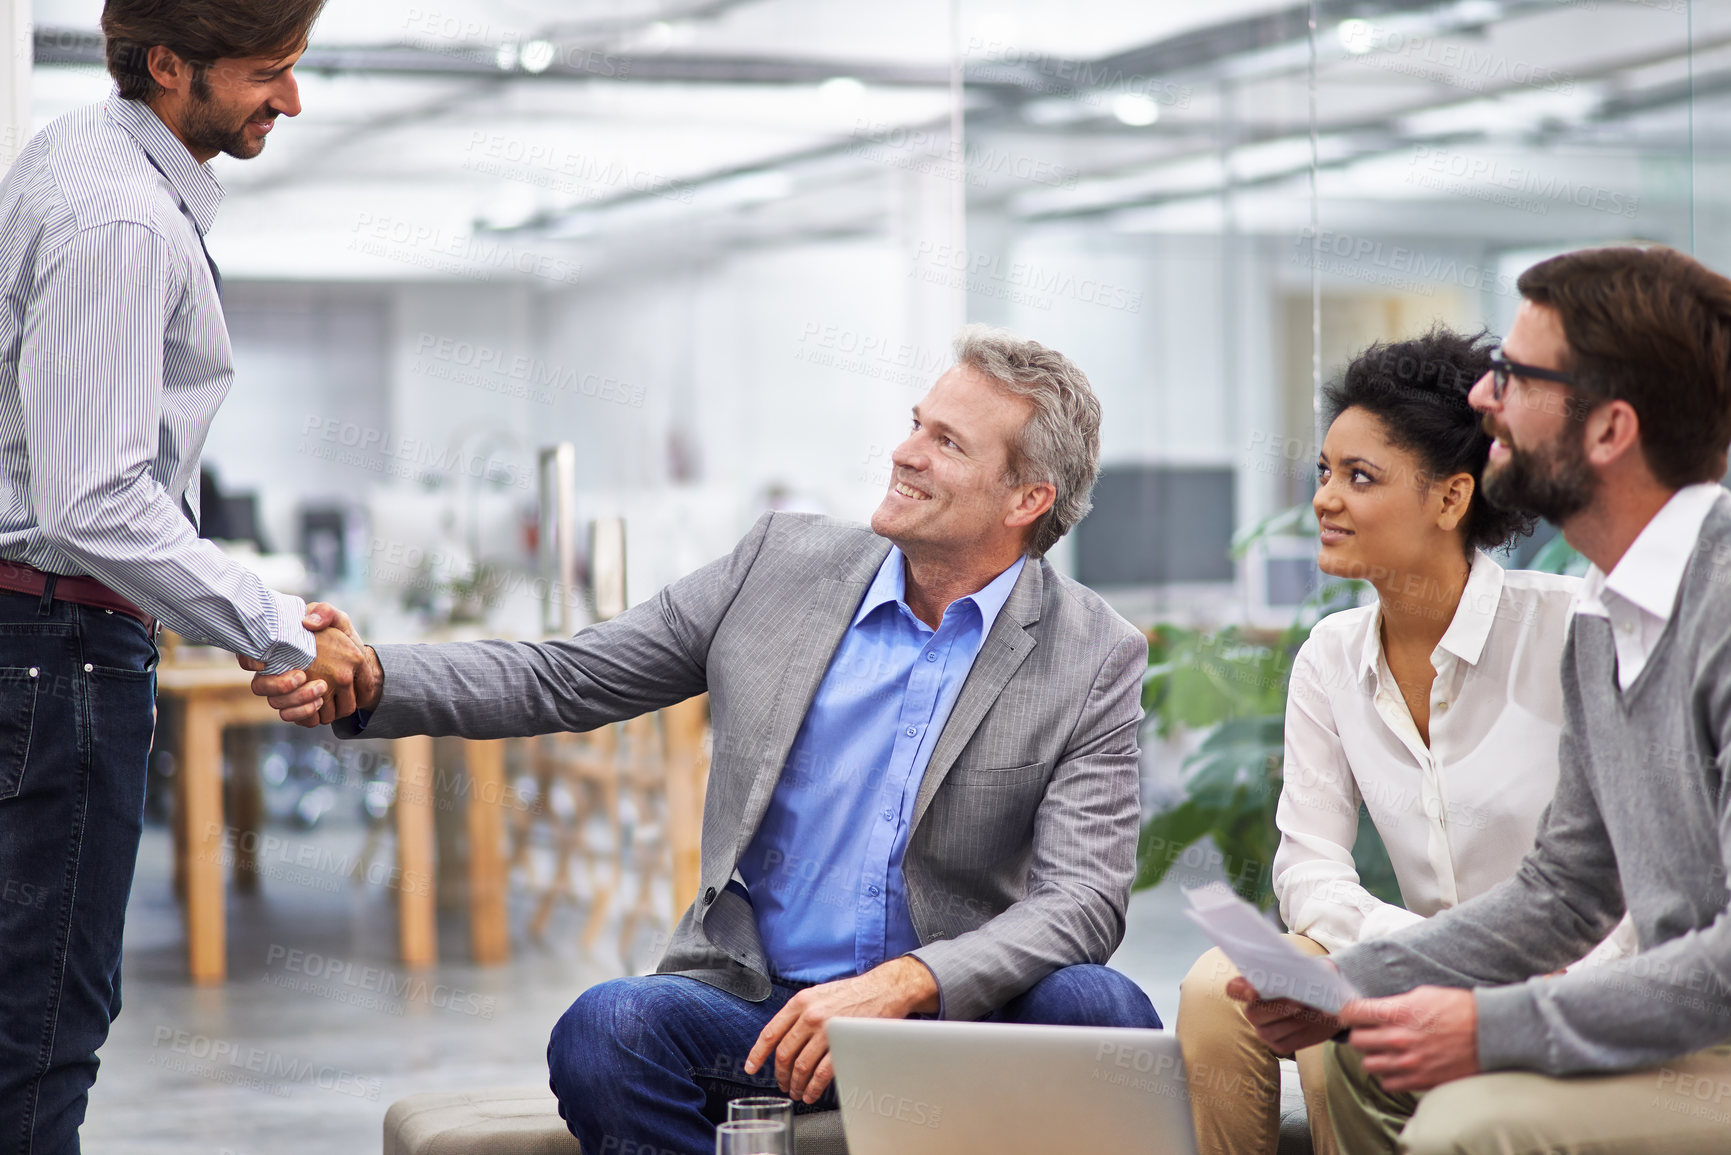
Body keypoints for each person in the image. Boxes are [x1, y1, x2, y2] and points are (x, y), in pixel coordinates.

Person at [249, 326, 1162, 1155]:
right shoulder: (779, 566)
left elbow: (1080, 900)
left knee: (1099, 1005)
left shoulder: (1091, 653)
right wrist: (375, 673)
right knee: (610, 1028)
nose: (904, 451)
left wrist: (912, 979)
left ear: (1027, 498)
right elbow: (565, 675)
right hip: (760, 1011)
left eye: (946, 442)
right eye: (916, 423)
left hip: (958, 1015)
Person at [1235, 245, 1731, 1155]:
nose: (1479, 397)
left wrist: (1491, 1024)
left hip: (1709, 1037)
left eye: (1513, 374)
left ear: (1609, 430)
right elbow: (1567, 889)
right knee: (1365, 1055)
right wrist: (1349, 981)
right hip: (1663, 1022)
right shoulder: (1604, 616)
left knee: (1470, 1124)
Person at [0, 2, 370, 1149]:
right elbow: (96, 501)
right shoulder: (122, 218)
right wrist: (282, 630)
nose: (291, 101)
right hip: (54, 652)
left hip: (44, 643)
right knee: (40, 1029)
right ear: (170, 65)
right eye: (270, 72)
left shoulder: (76, 153)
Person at [1176, 328, 1632, 1155]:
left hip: (1567, 977)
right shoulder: (1329, 656)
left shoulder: (1572, 634)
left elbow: (1640, 878)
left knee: (1337, 1032)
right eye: (1323, 471)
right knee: (1218, 989)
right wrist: (1402, 951)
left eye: (1359, 477)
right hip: (1403, 948)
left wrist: (1526, 981)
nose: (1323, 499)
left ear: (1451, 498)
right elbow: (1307, 865)